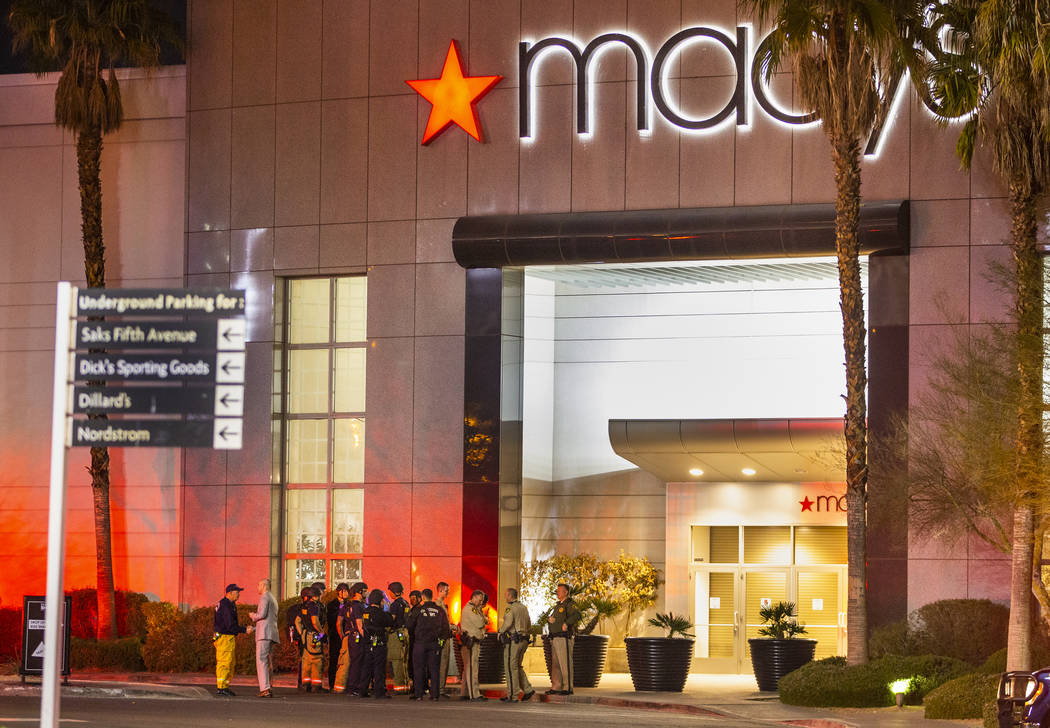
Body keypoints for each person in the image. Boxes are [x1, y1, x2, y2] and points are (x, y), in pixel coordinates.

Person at [406, 588, 451, 701]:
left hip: (420, 643)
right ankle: (435, 695)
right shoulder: (439, 610)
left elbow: (409, 625)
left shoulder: (418, 610)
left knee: (418, 669)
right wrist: (440, 643)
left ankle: (419, 694)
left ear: (423, 597)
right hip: (434, 644)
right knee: (434, 669)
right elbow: (446, 629)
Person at [213, 583, 252, 697]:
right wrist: (244, 630)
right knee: (225, 662)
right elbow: (230, 625)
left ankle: (224, 686)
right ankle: (221, 688)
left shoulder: (228, 604)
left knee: (230, 662)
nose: (239, 594)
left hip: (226, 637)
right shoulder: (226, 605)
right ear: (230, 593)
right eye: (237, 592)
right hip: (225, 637)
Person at [498, 587, 535, 703]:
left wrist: (500, 631)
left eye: (506, 595)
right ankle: (528, 690)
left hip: (514, 641)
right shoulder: (524, 608)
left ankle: (512, 695)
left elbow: (508, 623)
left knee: (510, 667)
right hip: (524, 640)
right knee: (517, 666)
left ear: (510, 596)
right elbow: (529, 624)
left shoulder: (510, 608)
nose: (505, 597)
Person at [546, 583, 581, 695]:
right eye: (557, 590)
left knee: (565, 663)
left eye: (560, 590)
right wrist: (551, 620)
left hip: (564, 638)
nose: (557, 592)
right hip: (555, 637)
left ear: (566, 592)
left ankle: (567, 687)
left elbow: (577, 615)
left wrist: (567, 623)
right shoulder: (558, 605)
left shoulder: (570, 604)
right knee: (556, 664)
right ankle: (556, 686)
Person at [360, 588, 395, 698]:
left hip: (368, 643)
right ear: (379, 601)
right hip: (379, 643)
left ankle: (363, 690)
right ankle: (379, 692)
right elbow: (390, 621)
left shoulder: (365, 612)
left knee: (366, 667)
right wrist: (388, 609)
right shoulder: (380, 613)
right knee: (379, 669)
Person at [294, 586, 328, 693]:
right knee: (317, 660)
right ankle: (316, 686)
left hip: (306, 635)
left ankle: (306, 684)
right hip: (314, 635)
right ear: (316, 596)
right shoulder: (315, 606)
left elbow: (297, 621)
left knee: (306, 660)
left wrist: (302, 633)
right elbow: (315, 621)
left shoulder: (305, 607)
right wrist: (322, 632)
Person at [249, 578, 279, 698]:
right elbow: (269, 619)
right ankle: (269, 686)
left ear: (264, 586)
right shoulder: (273, 599)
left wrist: (253, 616)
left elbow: (261, 615)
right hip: (271, 633)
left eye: (258, 585)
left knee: (261, 661)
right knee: (268, 661)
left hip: (264, 635)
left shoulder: (264, 598)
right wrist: (255, 628)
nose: (257, 587)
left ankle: (265, 688)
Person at [458, 589, 487, 701]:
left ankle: (465, 693)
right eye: (480, 600)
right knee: (472, 668)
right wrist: (484, 619)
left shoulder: (474, 609)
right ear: (474, 597)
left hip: (472, 641)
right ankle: (474, 695)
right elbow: (480, 622)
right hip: (471, 642)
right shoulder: (470, 609)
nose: (481, 603)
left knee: (469, 668)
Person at [386, 582, 411, 693]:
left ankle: (399, 687)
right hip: (405, 632)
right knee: (404, 660)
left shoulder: (395, 605)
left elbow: (392, 620)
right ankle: (405, 685)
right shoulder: (406, 603)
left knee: (397, 661)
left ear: (393, 592)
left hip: (396, 634)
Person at [344, 582, 367, 696]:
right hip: (357, 636)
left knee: (355, 662)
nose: (366, 593)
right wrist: (367, 638)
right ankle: (354, 688)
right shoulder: (358, 606)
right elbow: (359, 624)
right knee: (358, 662)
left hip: (352, 636)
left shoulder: (350, 605)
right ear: (359, 592)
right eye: (365, 591)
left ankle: (352, 687)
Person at [327, 583, 349, 690]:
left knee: (346, 659)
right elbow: (331, 621)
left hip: (346, 635)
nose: (346, 593)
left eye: (346, 591)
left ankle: (345, 682)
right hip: (335, 636)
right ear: (338, 592)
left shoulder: (349, 604)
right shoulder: (332, 605)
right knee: (334, 659)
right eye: (343, 591)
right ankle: (332, 683)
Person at [435, 581, 453, 694]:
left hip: (445, 636)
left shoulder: (442, 604)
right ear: (440, 591)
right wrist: (453, 627)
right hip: (442, 637)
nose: (448, 593)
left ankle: (441, 687)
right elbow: (442, 623)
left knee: (444, 663)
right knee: (442, 662)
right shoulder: (438, 604)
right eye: (446, 591)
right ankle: (440, 688)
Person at [406, 589, 423, 693]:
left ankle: (418, 686)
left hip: (416, 639)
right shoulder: (412, 610)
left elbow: (411, 625)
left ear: (419, 598)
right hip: (412, 639)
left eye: (414, 598)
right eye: (410, 599)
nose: (412, 601)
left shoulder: (419, 610)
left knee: (417, 664)